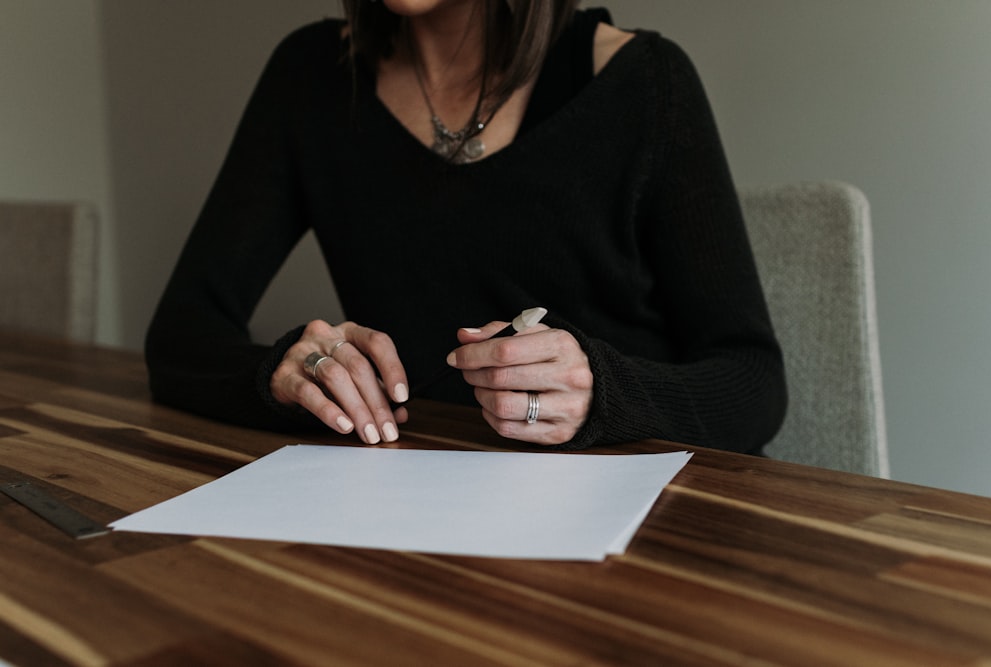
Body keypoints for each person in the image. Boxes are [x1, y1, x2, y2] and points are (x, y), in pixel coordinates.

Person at [145, 0, 787, 453]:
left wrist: (604, 392)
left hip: (648, 522)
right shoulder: (310, 78)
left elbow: (754, 382)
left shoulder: (644, 80)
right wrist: (283, 375)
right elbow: (180, 336)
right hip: (419, 511)